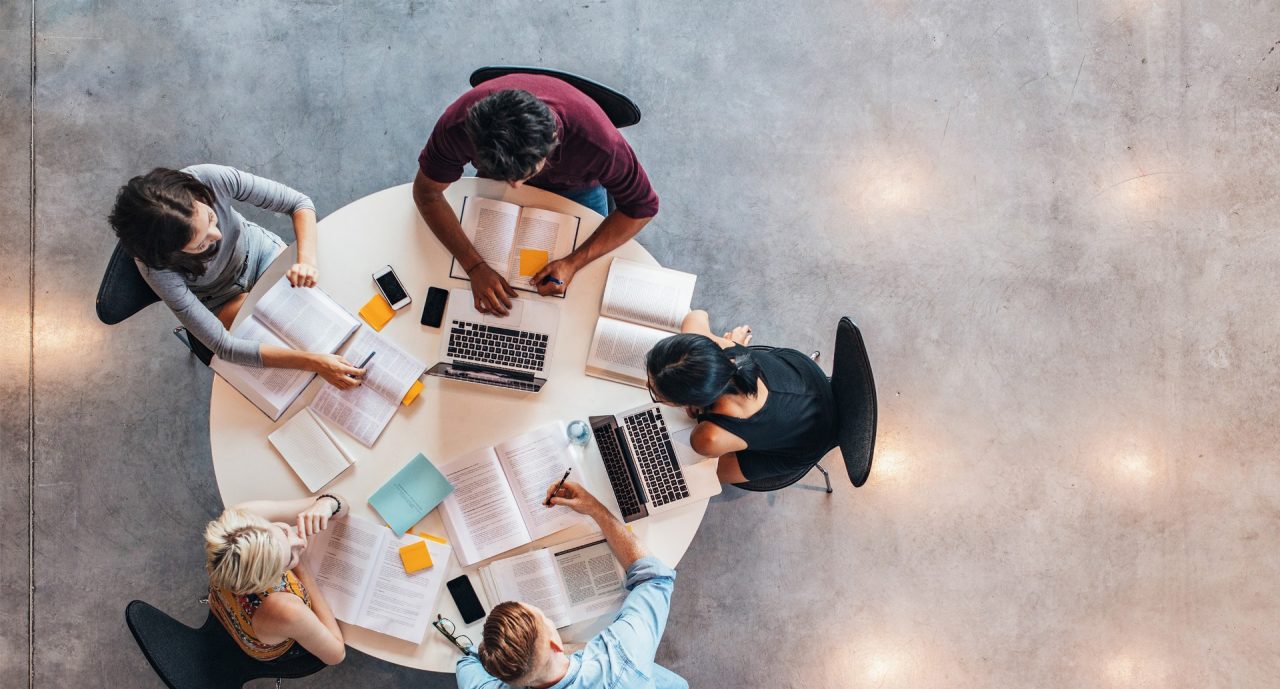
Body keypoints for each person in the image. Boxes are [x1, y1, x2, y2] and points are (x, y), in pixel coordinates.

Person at [451, 480, 687, 689]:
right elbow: (655, 579)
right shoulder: (621, 658)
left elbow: (466, 665)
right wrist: (596, 510)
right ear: (554, 643)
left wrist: (491, 653)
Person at [413, 73, 660, 317]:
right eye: (507, 177)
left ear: (553, 141)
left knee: (582, 291)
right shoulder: (458, 125)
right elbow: (427, 193)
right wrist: (474, 266)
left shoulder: (599, 145)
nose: (516, 187)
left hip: (579, 186)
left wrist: (573, 262)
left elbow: (642, 208)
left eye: (524, 174)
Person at [108, 164, 365, 388]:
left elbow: (299, 203)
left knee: (329, 302)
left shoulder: (208, 178)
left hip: (260, 254)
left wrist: (307, 261)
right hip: (219, 299)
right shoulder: (156, 268)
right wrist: (314, 363)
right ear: (170, 255)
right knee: (288, 344)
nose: (217, 235)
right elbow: (224, 346)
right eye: (201, 244)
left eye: (211, 217)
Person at [645, 310, 838, 485]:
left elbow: (707, 443)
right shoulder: (720, 348)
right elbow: (696, 316)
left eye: (656, 394)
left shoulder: (707, 438)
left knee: (699, 477)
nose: (647, 386)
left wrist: (699, 412)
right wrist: (725, 343)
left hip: (809, 441)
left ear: (687, 402)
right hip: (805, 378)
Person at [204, 495, 348, 665]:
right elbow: (336, 654)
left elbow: (341, 504)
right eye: (290, 559)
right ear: (270, 581)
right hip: (266, 644)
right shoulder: (286, 609)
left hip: (224, 603)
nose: (300, 542)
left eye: (284, 531)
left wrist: (327, 504)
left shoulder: (241, 518)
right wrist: (303, 568)